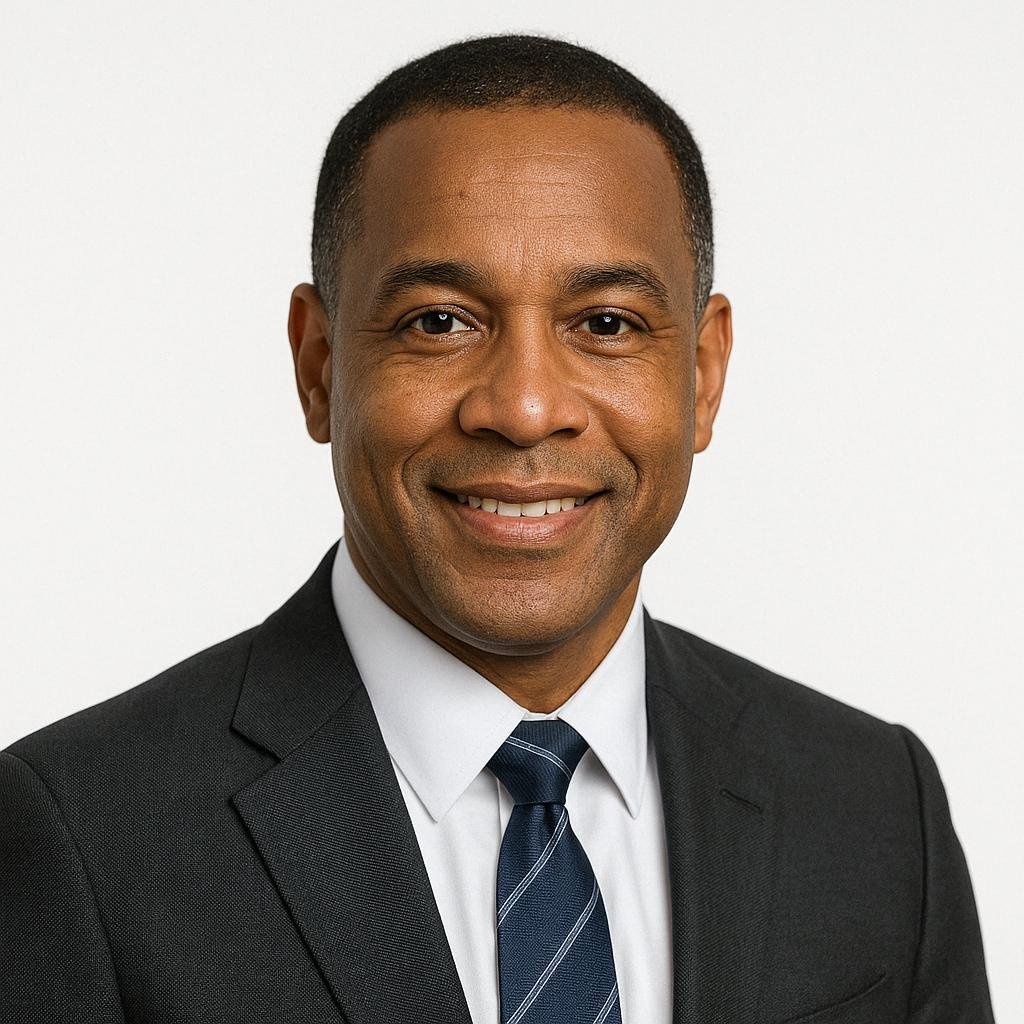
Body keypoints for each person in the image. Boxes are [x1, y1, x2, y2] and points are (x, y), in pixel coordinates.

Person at [0, 34, 994, 1024]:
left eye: (605, 323)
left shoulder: (874, 807)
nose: (523, 407)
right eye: (439, 321)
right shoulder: (77, 835)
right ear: (317, 365)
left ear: (702, 373)